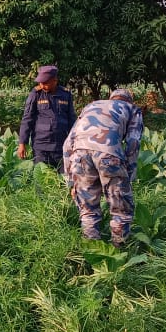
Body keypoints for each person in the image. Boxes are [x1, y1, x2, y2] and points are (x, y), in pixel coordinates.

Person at [62, 89, 144, 248]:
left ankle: (93, 253)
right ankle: (119, 251)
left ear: (111, 99)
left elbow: (67, 144)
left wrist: (70, 181)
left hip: (79, 156)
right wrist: (129, 174)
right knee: (121, 210)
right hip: (110, 155)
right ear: (129, 100)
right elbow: (134, 142)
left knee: (88, 210)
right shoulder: (132, 109)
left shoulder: (91, 106)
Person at [17, 64, 76, 172]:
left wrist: (75, 142)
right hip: (41, 147)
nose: (42, 85)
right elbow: (27, 119)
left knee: (64, 180)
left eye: (45, 83)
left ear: (54, 80)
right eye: (40, 82)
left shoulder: (65, 94)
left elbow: (72, 119)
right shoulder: (36, 94)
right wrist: (22, 143)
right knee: (41, 180)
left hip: (61, 146)